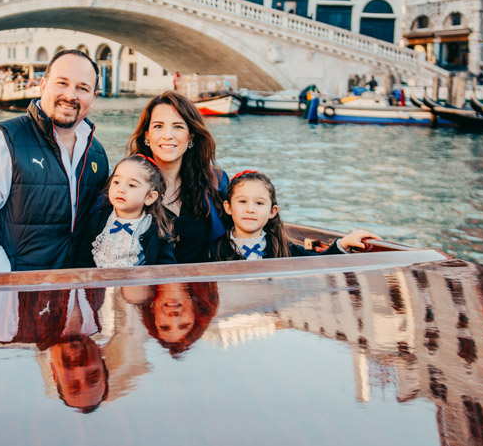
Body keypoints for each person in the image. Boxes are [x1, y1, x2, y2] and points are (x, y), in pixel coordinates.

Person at [0, 49, 109, 273]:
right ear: (43, 85)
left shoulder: (97, 154)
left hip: (76, 296)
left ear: (92, 98)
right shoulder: (2, 142)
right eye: (62, 83)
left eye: (82, 88)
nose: (70, 95)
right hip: (17, 295)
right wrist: (5, 289)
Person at [127, 91, 228, 264]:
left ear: (191, 136)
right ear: (146, 135)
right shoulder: (125, 182)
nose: (168, 135)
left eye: (178, 126)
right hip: (143, 288)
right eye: (158, 126)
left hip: (200, 286)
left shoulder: (214, 182)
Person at [210, 170, 379, 261]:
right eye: (242, 202)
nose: (250, 209)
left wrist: (343, 243)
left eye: (259, 203)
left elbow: (318, 263)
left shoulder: (282, 248)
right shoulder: (214, 249)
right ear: (228, 207)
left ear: (272, 211)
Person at [74, 155, 176, 268]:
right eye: (116, 182)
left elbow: (166, 268)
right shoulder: (97, 219)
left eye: (132, 185)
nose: (121, 189)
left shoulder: (157, 229)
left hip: (137, 284)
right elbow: (83, 259)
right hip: (98, 283)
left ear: (150, 197)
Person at [136, 282, 219, 358]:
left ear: (153, 313)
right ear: (195, 312)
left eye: (164, 326)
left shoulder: (140, 285)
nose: (174, 318)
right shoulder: (202, 270)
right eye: (184, 325)